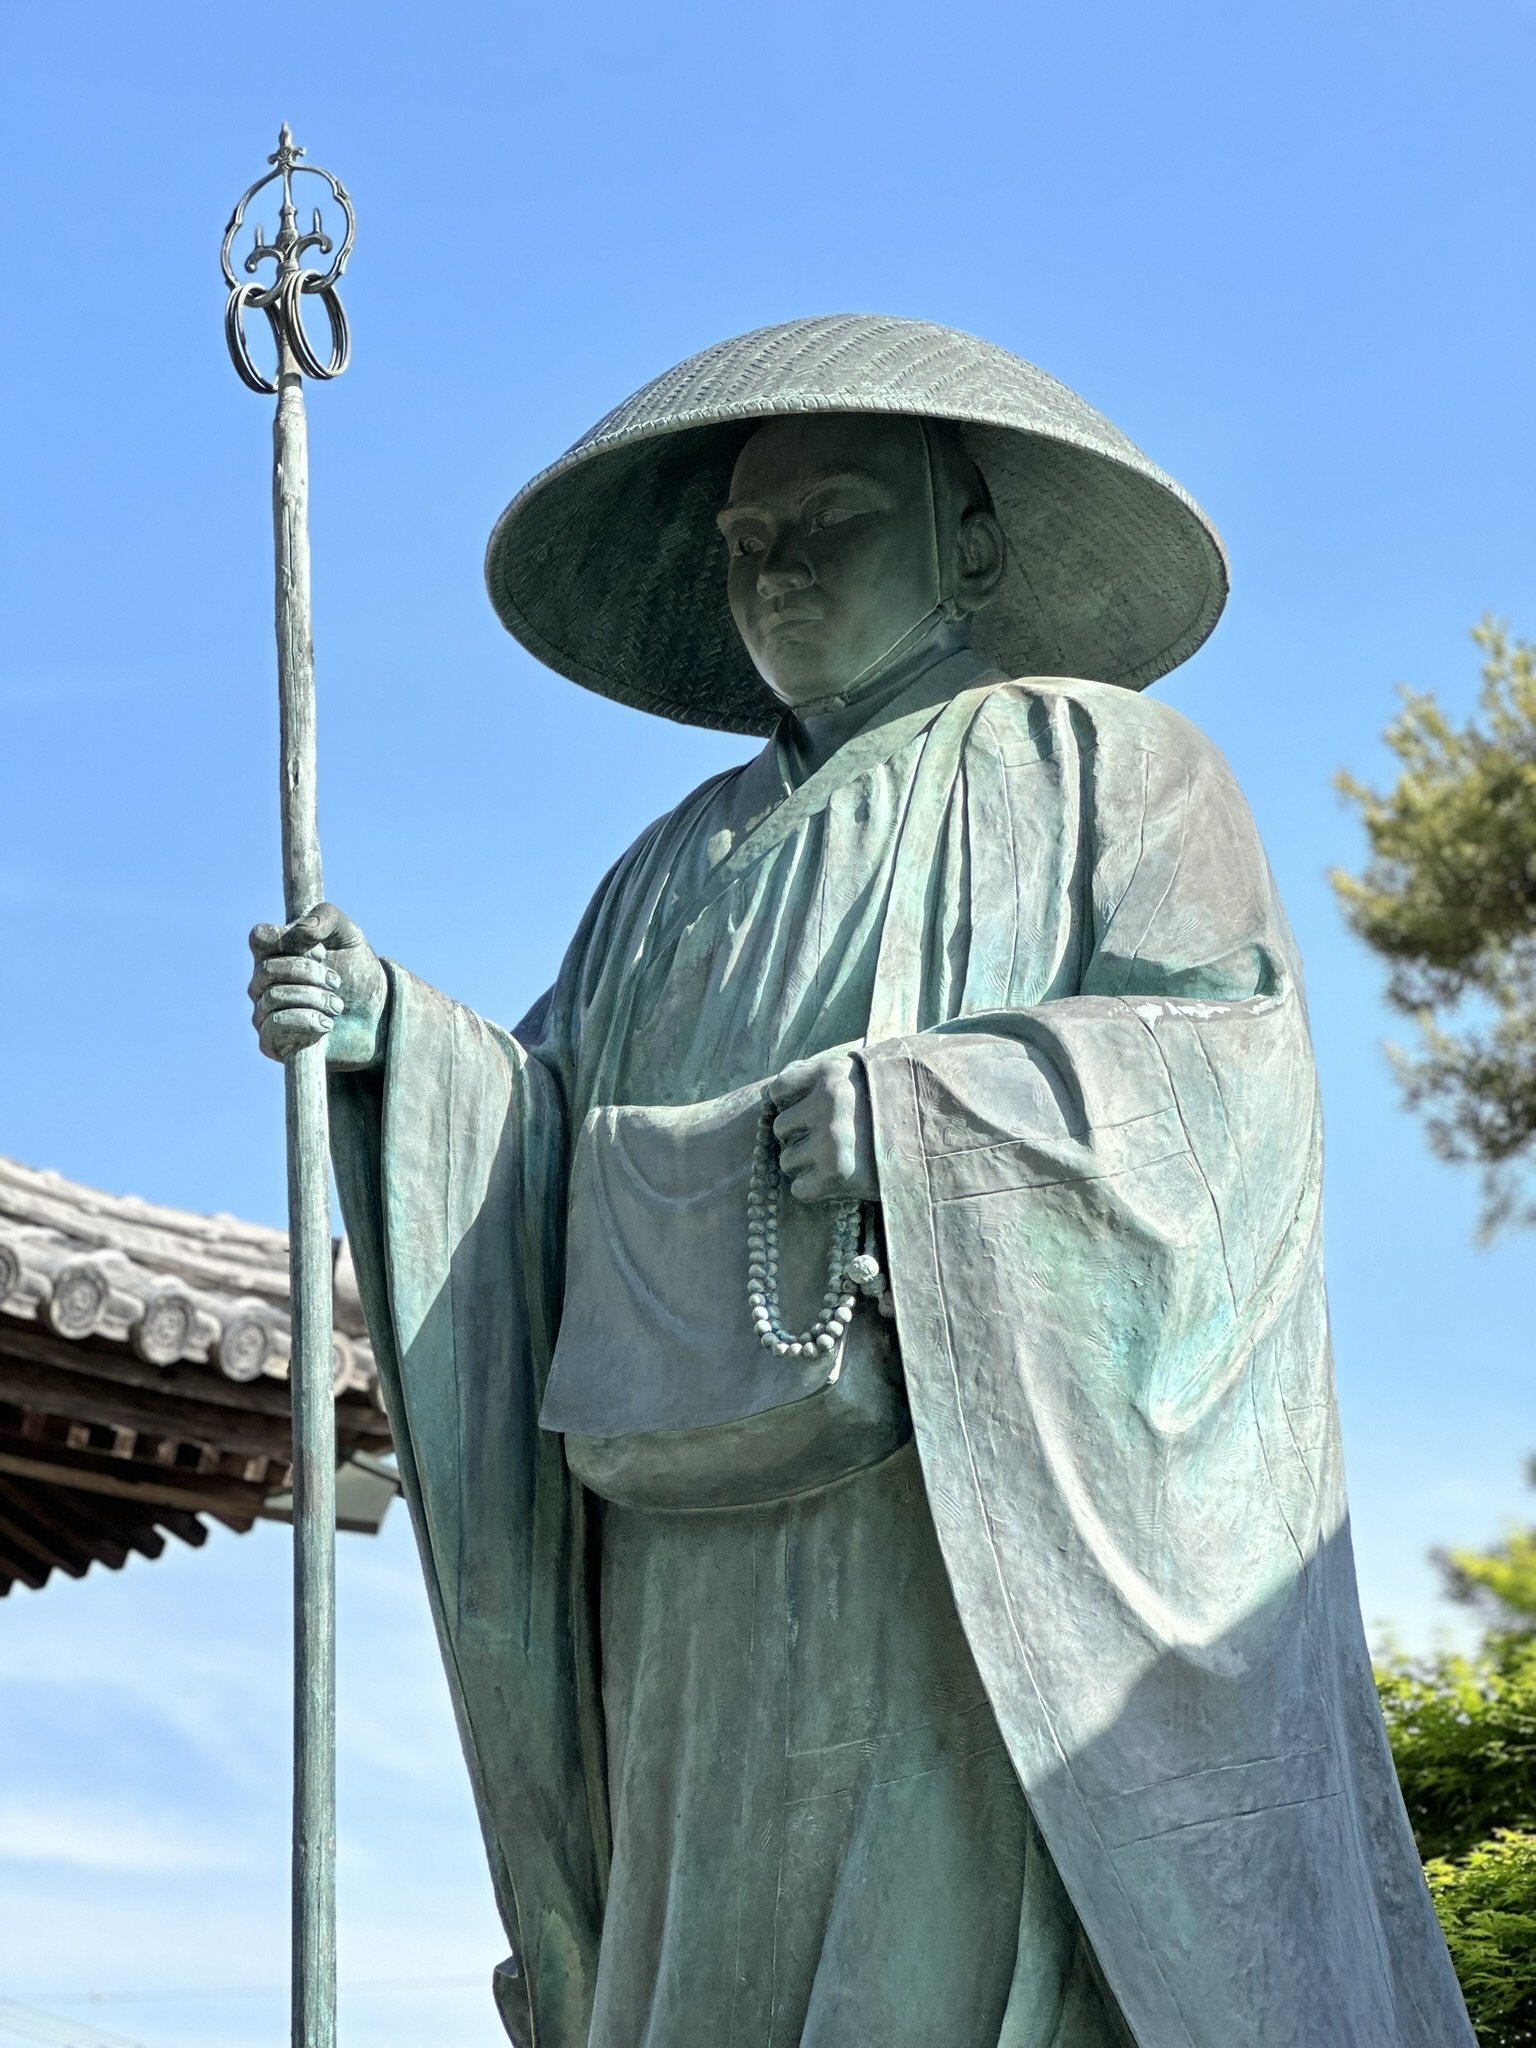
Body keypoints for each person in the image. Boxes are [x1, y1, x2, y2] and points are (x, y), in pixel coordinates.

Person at [248, 316, 1473, 2048]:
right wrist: (396, 1053)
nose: (780, 570)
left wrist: (930, 1123)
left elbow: (1232, 1080)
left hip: (966, 1521)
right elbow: (531, 1151)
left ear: (967, 538)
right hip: (682, 1564)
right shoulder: (665, 873)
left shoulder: (1107, 766)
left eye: (832, 520)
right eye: (747, 543)